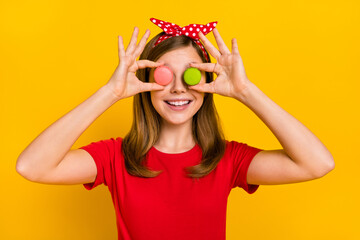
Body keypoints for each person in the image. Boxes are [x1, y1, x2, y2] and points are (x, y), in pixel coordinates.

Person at [16, 18, 335, 240]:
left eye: (193, 76)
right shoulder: (116, 157)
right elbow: (31, 166)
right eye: (165, 76)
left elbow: (317, 163)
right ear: (147, 84)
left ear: (209, 83)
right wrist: (109, 93)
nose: (179, 89)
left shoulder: (227, 159)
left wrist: (246, 91)